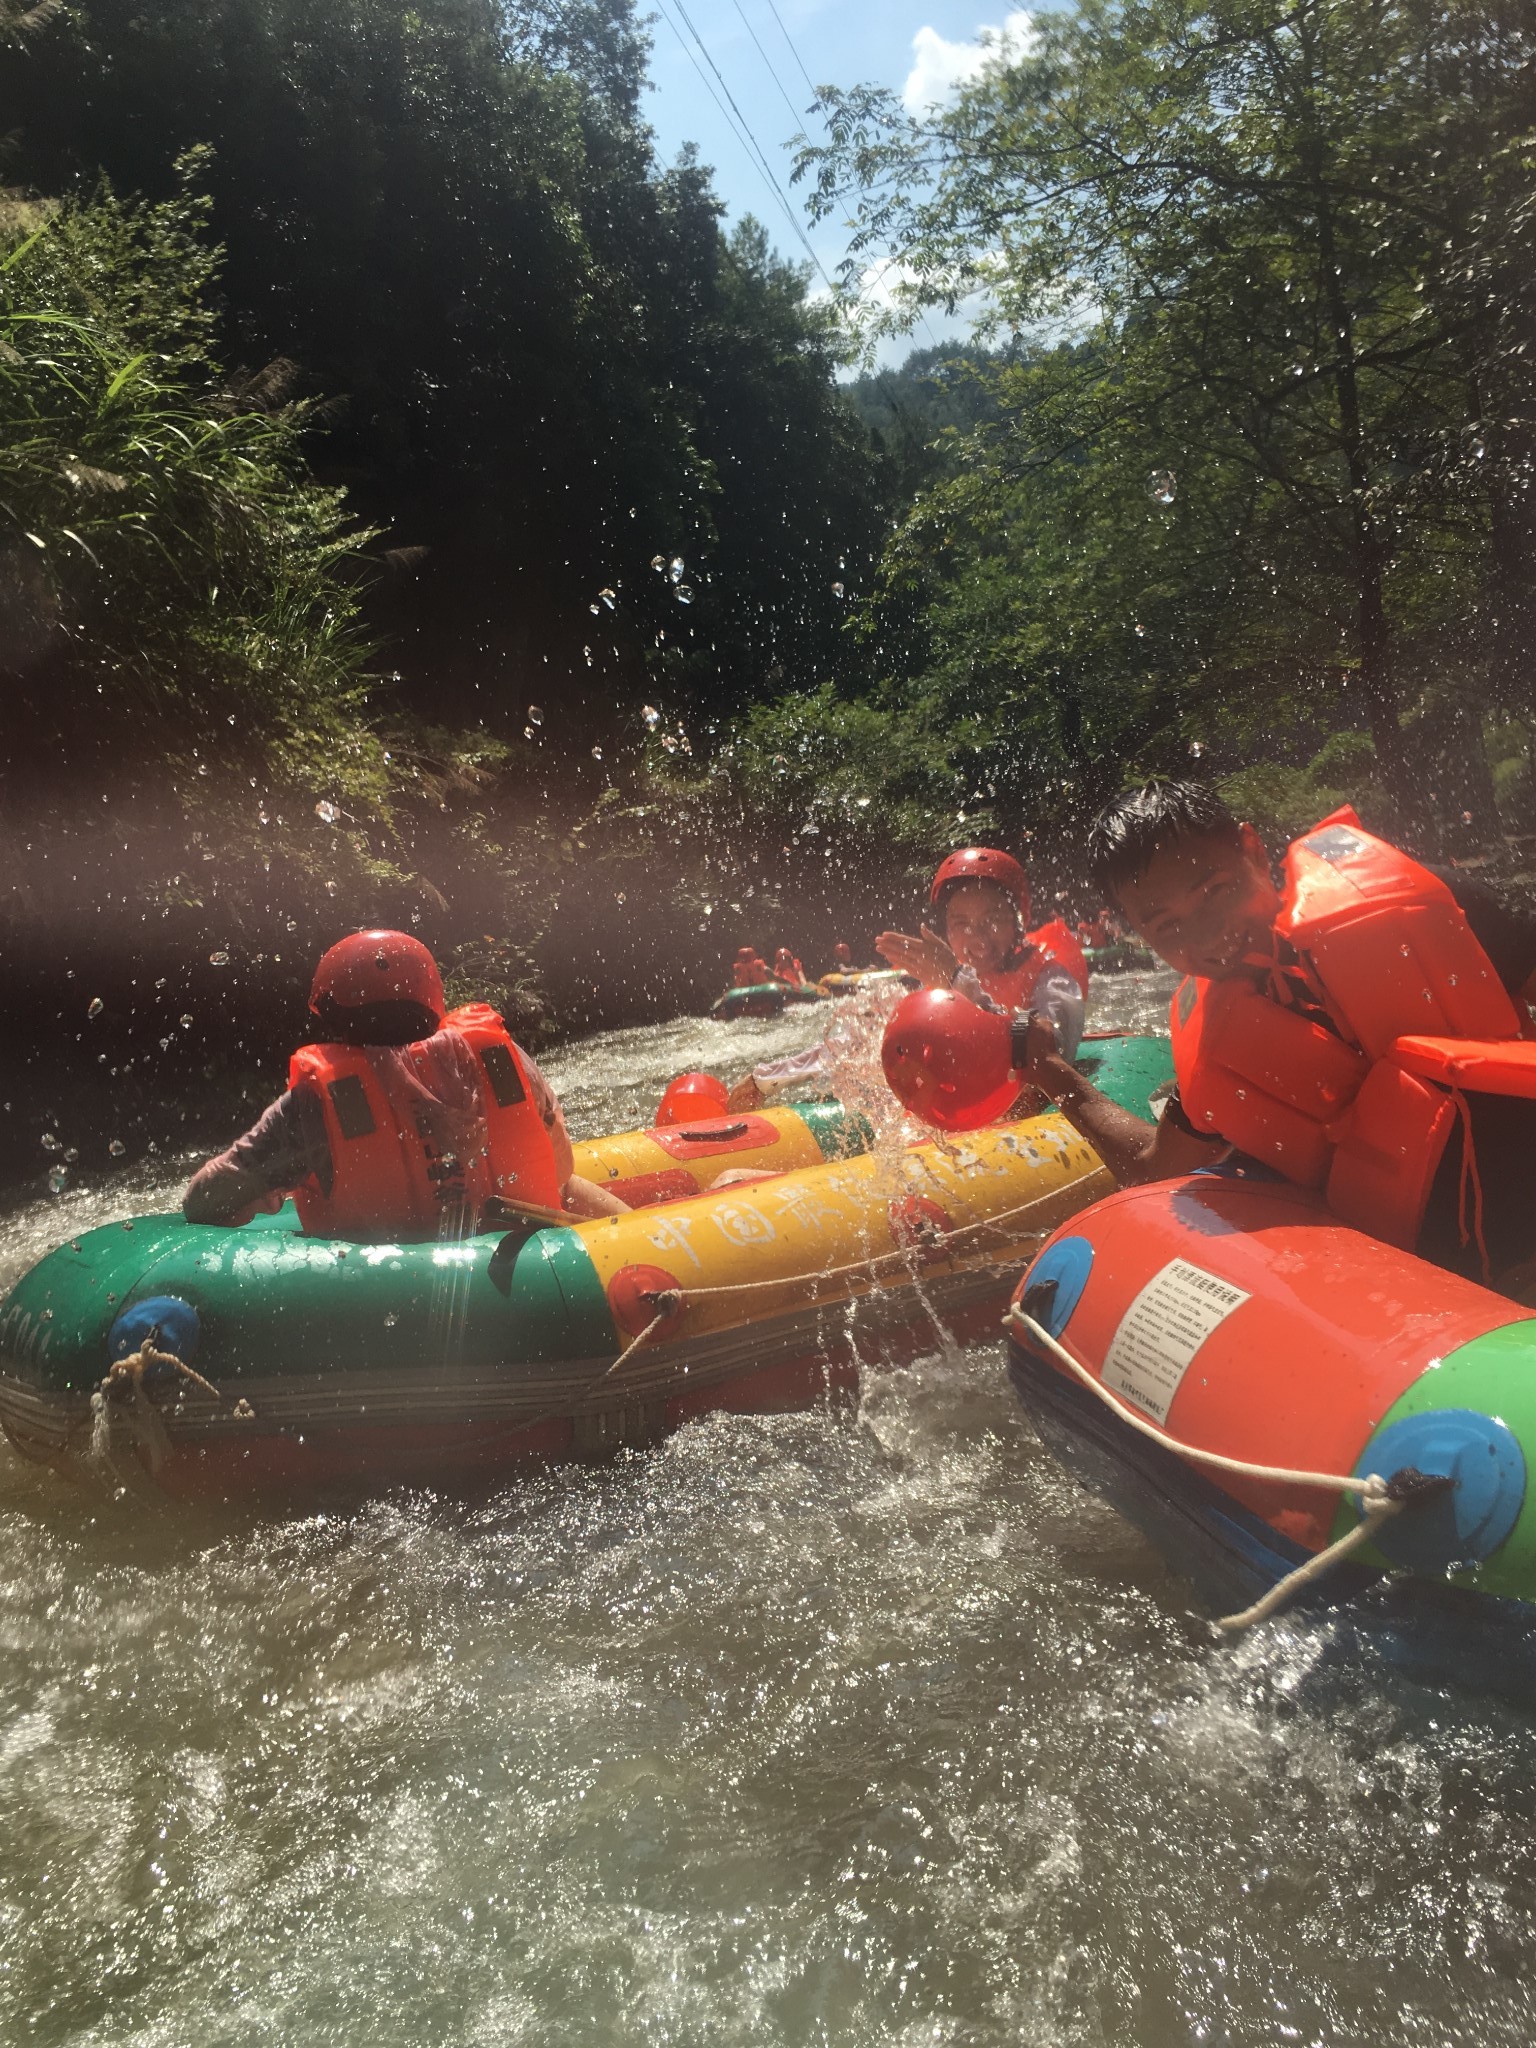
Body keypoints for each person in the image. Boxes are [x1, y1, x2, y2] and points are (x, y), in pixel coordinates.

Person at [1016, 781, 1536, 1284]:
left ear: (1252, 849)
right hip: (1434, 1279)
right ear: (1137, 931)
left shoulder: (1426, 909)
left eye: (1215, 891)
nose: (1209, 935)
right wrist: (1051, 1072)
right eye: (1167, 926)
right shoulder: (1223, 1042)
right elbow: (1155, 1169)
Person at [183, 930, 627, 1235]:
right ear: (431, 996)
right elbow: (560, 1169)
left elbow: (206, 1200)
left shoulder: (314, 1104)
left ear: (336, 1019)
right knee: (569, 1189)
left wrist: (279, 1185)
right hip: (527, 1257)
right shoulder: (498, 1058)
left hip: (397, 1294)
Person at [877, 847, 1088, 1059]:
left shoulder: (1051, 979)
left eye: (992, 920)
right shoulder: (938, 983)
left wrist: (956, 979)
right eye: (961, 923)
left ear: (1017, 924)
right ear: (946, 931)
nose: (978, 940)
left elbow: (1050, 1055)